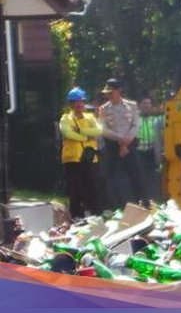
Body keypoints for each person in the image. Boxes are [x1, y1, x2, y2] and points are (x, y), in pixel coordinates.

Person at [98, 79, 145, 206]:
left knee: (136, 175)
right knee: (112, 178)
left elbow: (136, 124)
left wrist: (127, 139)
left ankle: (142, 203)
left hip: (130, 144)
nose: (108, 95)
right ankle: (117, 206)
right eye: (107, 93)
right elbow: (102, 128)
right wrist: (120, 139)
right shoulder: (103, 109)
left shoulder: (132, 105)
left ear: (119, 91)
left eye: (111, 92)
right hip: (113, 146)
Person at [59, 88, 102, 218]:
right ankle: (77, 216)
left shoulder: (90, 117)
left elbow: (98, 131)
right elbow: (67, 133)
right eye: (75, 102)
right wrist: (85, 137)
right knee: (75, 190)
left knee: (92, 187)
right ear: (70, 104)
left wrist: (79, 130)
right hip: (72, 159)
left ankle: (96, 214)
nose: (79, 105)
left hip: (89, 159)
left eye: (81, 102)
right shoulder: (65, 118)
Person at [136, 97, 164, 199]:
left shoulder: (156, 120)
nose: (146, 106)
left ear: (151, 106)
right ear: (140, 106)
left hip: (152, 152)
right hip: (139, 152)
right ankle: (142, 198)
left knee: (153, 176)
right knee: (140, 177)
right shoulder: (136, 120)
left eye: (148, 104)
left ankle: (154, 198)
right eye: (144, 104)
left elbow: (169, 119)